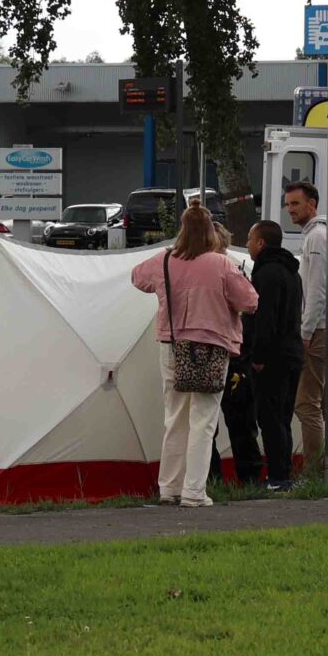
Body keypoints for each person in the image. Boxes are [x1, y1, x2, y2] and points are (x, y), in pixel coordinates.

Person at [130, 202, 257, 506]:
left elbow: (137, 278)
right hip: (211, 349)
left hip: (172, 347)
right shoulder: (222, 264)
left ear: (183, 229)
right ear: (210, 229)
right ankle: (194, 491)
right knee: (204, 419)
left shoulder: (164, 260)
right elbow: (250, 301)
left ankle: (169, 488)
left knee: (175, 418)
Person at [241, 219, 303, 490]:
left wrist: (257, 357)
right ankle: (284, 473)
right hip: (292, 352)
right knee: (283, 418)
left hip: (272, 358)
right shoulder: (292, 272)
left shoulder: (266, 274)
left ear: (261, 243)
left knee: (269, 418)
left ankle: (278, 477)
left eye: (249, 239)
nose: (246, 244)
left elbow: (264, 319)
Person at [283, 182, 328, 471]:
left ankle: (314, 467)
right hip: (322, 326)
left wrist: (306, 331)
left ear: (312, 204)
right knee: (322, 402)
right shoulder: (317, 236)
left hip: (318, 329)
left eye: (295, 204)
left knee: (306, 403)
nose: (290, 210)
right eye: (288, 205)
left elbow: (317, 289)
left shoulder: (317, 238)